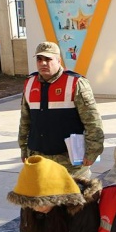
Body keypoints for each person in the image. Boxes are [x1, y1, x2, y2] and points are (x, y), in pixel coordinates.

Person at [18, 41, 104, 178]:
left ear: (58, 60)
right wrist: (23, 148)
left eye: (48, 59)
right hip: (39, 157)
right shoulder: (30, 83)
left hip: (69, 161)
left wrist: (93, 151)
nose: (43, 63)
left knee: (74, 198)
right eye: (39, 59)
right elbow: (25, 120)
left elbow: (92, 121)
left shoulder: (76, 83)